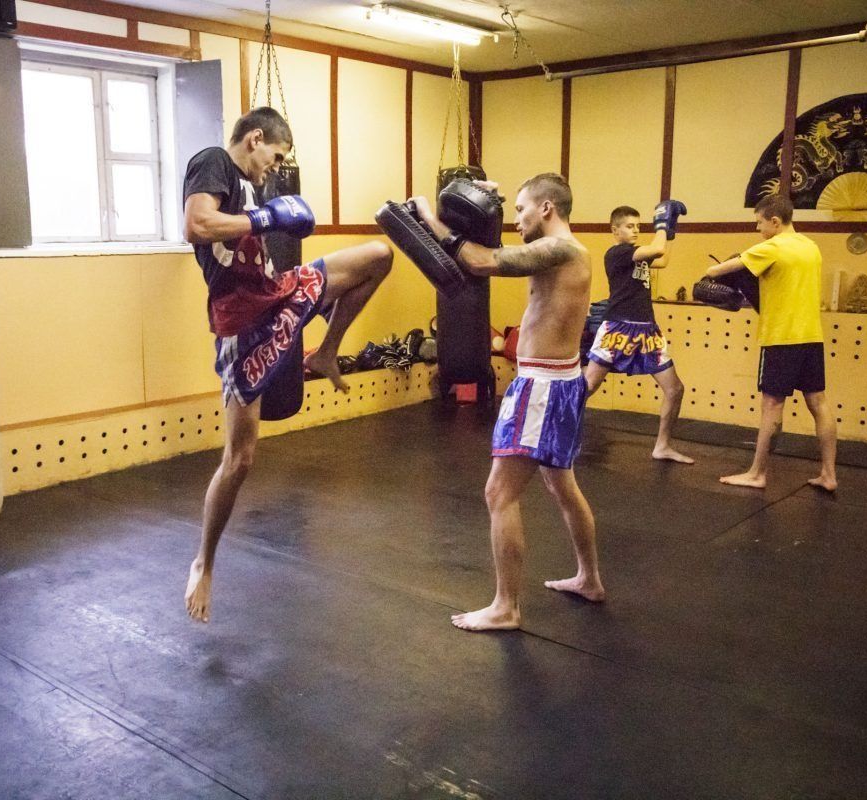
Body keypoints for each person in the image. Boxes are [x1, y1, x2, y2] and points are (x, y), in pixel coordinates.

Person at [182, 107, 393, 622]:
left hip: (277, 292)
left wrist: (266, 214)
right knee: (240, 461)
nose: (274, 170)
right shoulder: (214, 162)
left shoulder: (255, 190)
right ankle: (204, 563)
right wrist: (266, 218)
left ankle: (327, 351)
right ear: (255, 139)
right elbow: (197, 225)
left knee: (379, 255)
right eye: (275, 158)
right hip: (240, 322)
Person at [411, 173, 604, 632]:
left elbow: (481, 261)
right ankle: (589, 579)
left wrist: (430, 219)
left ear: (546, 208)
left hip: (543, 387)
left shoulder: (563, 249)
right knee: (562, 486)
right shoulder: (562, 253)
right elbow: (493, 251)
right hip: (559, 381)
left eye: (520, 209)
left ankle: (506, 607)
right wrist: (481, 202)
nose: (514, 218)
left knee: (499, 493)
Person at [705, 193, 837, 492]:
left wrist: (722, 269)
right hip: (811, 336)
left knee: (772, 405)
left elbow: (715, 271)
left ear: (775, 221)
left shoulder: (771, 247)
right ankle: (829, 474)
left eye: (759, 223)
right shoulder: (810, 247)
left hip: (781, 338)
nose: (757, 229)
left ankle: (757, 473)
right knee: (819, 403)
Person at [586, 203, 693, 463]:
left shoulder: (638, 254)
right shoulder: (618, 253)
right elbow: (657, 249)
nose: (635, 230)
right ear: (615, 230)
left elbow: (662, 259)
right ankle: (552, 427)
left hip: (647, 331)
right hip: (618, 328)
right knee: (588, 386)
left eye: (638, 226)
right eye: (629, 226)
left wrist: (670, 230)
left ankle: (662, 446)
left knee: (675, 389)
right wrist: (661, 225)